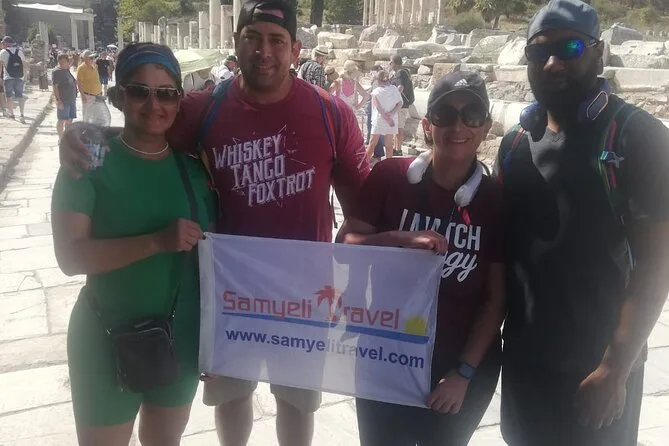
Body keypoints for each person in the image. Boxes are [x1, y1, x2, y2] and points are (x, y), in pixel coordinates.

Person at [59, 2, 370, 445]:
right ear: (236, 43)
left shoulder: (331, 112)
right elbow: (146, 128)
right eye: (252, 38)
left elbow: (362, 207)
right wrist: (86, 135)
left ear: (296, 49)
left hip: (302, 292)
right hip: (229, 291)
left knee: (297, 402)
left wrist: (368, 271)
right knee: (232, 397)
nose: (264, 51)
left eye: (276, 40)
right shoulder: (203, 108)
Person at [493, 1, 669, 445]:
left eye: (570, 47)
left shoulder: (637, 137)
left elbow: (657, 263)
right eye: (539, 51)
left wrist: (616, 368)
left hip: (597, 368)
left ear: (599, 52)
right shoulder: (514, 145)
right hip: (525, 363)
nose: (552, 62)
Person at [51, 43, 215, 446]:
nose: (154, 104)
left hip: (181, 335)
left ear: (179, 100)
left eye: (166, 93)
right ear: (119, 95)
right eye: (140, 91)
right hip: (105, 334)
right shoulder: (88, 160)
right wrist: (155, 242)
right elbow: (70, 257)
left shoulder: (195, 169)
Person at [338, 71, 505, 446]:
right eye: (446, 114)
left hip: (456, 368)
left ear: (485, 127)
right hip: (385, 356)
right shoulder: (390, 176)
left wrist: (463, 373)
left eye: (471, 115)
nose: (458, 126)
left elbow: (496, 299)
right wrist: (397, 239)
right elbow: (343, 246)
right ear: (428, 125)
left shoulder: (494, 200)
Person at [366, 70, 402, 161]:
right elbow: (400, 103)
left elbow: (378, 107)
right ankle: (388, 165)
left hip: (379, 120)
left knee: (372, 144)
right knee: (389, 145)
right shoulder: (394, 89)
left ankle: (364, 164)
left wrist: (386, 117)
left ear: (378, 80)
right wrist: (391, 114)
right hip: (392, 119)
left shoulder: (376, 92)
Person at [390, 54, 414, 156]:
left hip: (401, 105)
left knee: (399, 127)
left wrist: (391, 99)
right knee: (396, 127)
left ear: (394, 63)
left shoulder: (400, 73)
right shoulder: (403, 72)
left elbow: (400, 88)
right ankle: (395, 148)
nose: (389, 64)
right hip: (401, 104)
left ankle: (398, 149)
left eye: (390, 62)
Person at [0, 36, 27, 123]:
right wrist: (25, 76)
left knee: (9, 96)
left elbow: (0, 67)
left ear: (5, 43)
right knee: (20, 96)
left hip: (8, 77)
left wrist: (0, 78)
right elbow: (24, 65)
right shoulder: (19, 51)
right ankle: (22, 114)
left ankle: (11, 114)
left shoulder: (3, 52)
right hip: (19, 77)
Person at [52, 53, 78, 139]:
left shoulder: (67, 69)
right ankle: (61, 139)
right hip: (63, 100)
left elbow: (72, 60)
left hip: (71, 99)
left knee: (70, 120)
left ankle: (66, 138)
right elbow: (55, 87)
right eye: (60, 62)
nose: (62, 64)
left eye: (64, 62)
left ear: (67, 62)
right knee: (61, 120)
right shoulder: (57, 72)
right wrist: (58, 100)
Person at [76, 50, 103, 120]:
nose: (92, 59)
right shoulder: (81, 68)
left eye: (93, 57)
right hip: (88, 96)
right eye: (91, 58)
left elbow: (97, 80)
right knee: (87, 116)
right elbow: (79, 83)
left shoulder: (94, 66)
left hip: (97, 95)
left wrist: (100, 92)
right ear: (85, 58)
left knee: (96, 116)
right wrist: (82, 95)